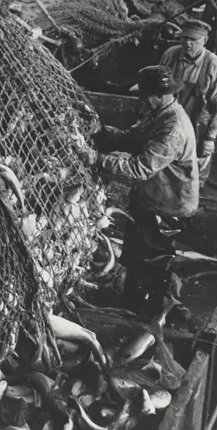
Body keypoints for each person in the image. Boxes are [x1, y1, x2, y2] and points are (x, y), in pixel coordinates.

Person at [81, 65, 199, 319]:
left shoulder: (173, 128)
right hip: (150, 198)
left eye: (144, 95)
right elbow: (132, 138)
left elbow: (140, 167)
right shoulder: (158, 115)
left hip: (168, 205)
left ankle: (153, 310)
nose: (141, 100)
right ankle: (131, 299)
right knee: (135, 251)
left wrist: (97, 159)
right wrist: (102, 133)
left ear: (158, 95)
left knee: (154, 260)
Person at [160, 19, 217, 188]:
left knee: (195, 175)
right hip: (170, 121)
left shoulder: (214, 65)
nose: (187, 43)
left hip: (198, 126)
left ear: (204, 40)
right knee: (165, 169)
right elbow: (156, 89)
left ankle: (191, 205)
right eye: (184, 38)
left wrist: (210, 138)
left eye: (193, 40)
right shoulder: (170, 55)